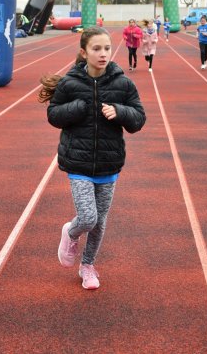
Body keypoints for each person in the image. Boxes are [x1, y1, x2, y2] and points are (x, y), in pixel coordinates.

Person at [38, 26, 146, 290]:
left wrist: (120, 111)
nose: (103, 54)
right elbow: (54, 116)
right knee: (88, 218)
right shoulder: (69, 84)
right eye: (96, 49)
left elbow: (138, 119)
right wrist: (79, 108)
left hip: (109, 162)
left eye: (107, 48)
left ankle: (87, 266)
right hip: (78, 162)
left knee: (100, 222)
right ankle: (71, 232)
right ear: (84, 52)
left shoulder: (123, 83)